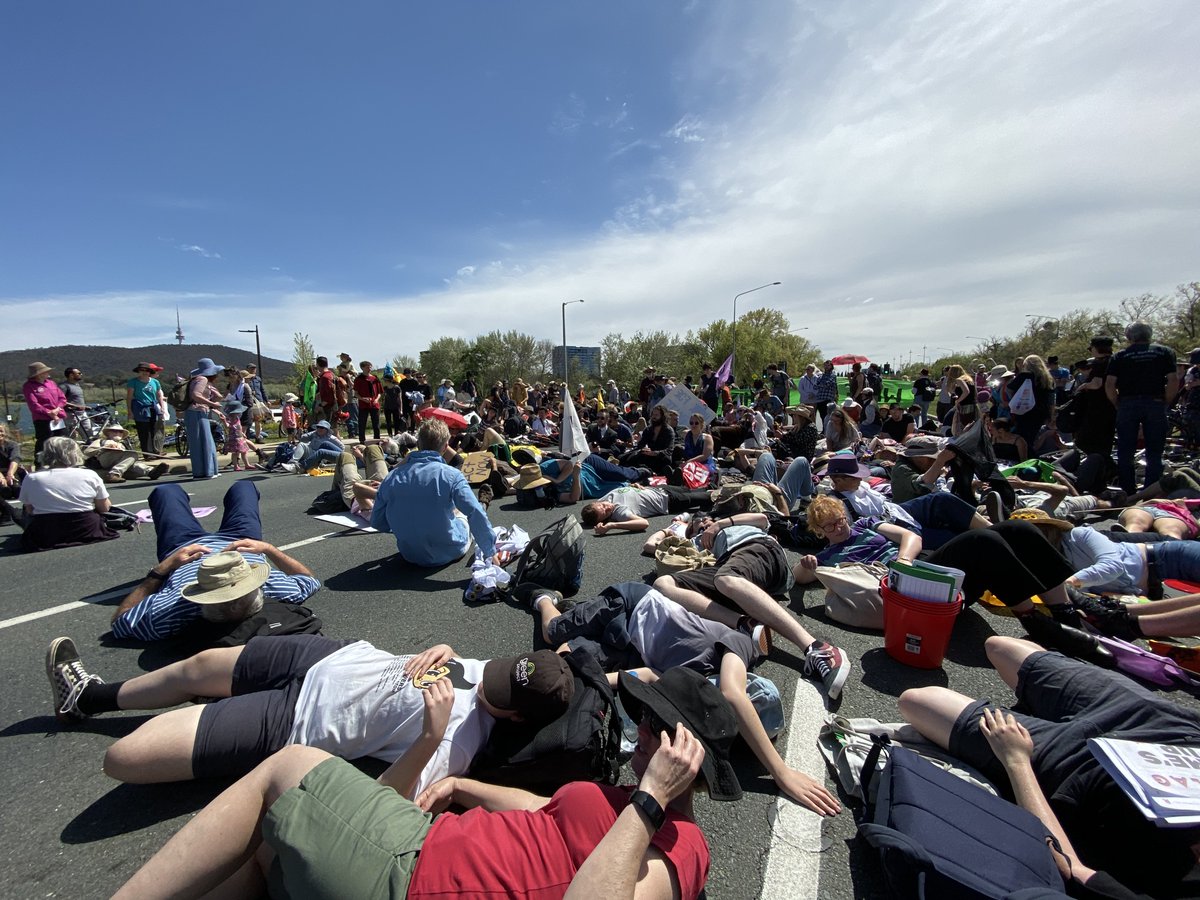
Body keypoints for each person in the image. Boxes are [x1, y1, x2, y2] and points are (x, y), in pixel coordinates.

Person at [111, 666, 734, 900]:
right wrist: (466, 791)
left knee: (288, 769)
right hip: (430, 849)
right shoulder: (623, 803)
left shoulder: (680, 844)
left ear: (684, 754)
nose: (638, 730)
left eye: (652, 725)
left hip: (427, 877)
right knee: (273, 848)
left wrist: (652, 799)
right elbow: (549, 810)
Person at [48, 630, 573, 790]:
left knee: (124, 758)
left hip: (297, 721)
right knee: (200, 663)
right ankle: (90, 696)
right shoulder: (492, 673)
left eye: (501, 695)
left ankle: (208, 712)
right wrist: (452, 651)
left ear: (517, 718)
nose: (489, 686)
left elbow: (388, 798)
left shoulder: (459, 745)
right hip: (332, 656)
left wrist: (429, 737)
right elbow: (476, 670)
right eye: (501, 672)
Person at [899, 636, 1200, 897]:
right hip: (1164, 725)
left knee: (918, 700)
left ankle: (1035, 713)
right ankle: (1038, 702)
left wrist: (1016, 760)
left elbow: (1069, 868)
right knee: (1001, 647)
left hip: (1076, 765)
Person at [524, 581, 841, 817]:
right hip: (630, 604)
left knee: (568, 665)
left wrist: (587, 682)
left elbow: (647, 677)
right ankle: (543, 597)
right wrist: (781, 773)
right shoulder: (741, 646)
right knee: (554, 632)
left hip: (632, 646)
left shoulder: (690, 693)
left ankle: (575, 620)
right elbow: (733, 693)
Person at [651, 512, 853, 699]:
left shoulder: (734, 524)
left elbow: (762, 518)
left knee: (726, 579)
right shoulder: (695, 543)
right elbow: (651, 547)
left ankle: (818, 648)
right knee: (662, 585)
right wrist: (667, 531)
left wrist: (720, 524)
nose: (704, 523)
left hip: (759, 549)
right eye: (698, 524)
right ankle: (745, 623)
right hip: (729, 567)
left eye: (706, 519)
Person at [107, 480, 320, 641]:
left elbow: (121, 620)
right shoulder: (273, 588)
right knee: (244, 486)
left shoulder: (171, 610)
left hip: (182, 548)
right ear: (256, 589)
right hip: (240, 540)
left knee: (166, 492)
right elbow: (309, 580)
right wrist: (268, 549)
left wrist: (163, 568)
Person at [372, 418, 499, 567]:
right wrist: (490, 551)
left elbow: (378, 522)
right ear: (446, 447)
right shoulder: (452, 475)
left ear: (418, 444)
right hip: (451, 549)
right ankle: (484, 503)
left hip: (410, 554)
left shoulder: (392, 477)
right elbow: (474, 512)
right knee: (464, 512)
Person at [1106, 322, 1179, 493]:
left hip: (1127, 403)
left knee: (1125, 450)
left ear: (1129, 336)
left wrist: (1117, 403)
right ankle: (1151, 489)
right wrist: (1167, 401)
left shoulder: (1120, 356)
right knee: (1155, 450)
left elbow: (1110, 384)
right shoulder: (1164, 352)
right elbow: (1173, 379)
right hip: (1154, 402)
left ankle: (1127, 490)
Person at [18, 436, 117, 551]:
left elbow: (30, 510)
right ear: (75, 454)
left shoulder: (32, 478)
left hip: (48, 532)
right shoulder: (89, 474)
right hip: (86, 528)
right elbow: (105, 507)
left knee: (25, 513)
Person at [581, 483, 713, 533]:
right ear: (603, 519)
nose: (607, 507)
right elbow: (644, 523)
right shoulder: (619, 512)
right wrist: (610, 526)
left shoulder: (603, 500)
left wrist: (632, 486)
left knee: (691, 489)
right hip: (668, 501)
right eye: (605, 513)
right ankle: (721, 496)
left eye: (602, 506)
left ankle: (710, 485)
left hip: (660, 489)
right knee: (707, 497)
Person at [83, 422, 170, 482]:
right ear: (108, 433)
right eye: (114, 431)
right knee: (132, 455)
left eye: (120, 432)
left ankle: (151, 472)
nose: (117, 433)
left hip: (121, 461)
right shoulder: (101, 441)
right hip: (104, 459)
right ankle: (114, 474)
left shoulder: (123, 444)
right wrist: (104, 447)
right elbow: (87, 452)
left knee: (133, 461)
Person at [184, 357, 225, 480]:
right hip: (197, 413)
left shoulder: (197, 379)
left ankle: (205, 471)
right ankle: (206, 471)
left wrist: (212, 399)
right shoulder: (202, 379)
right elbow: (196, 395)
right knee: (203, 442)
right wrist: (211, 404)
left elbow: (217, 397)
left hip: (196, 413)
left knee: (201, 442)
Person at [22, 361, 67, 464]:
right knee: (44, 442)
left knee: (62, 440)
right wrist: (48, 412)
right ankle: (40, 464)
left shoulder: (51, 383)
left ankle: (62, 462)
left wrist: (57, 409)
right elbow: (33, 404)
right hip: (42, 420)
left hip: (58, 417)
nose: (48, 372)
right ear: (38, 374)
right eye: (45, 371)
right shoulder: (29, 386)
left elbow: (62, 398)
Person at [1007, 354, 1056, 450]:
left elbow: (1009, 388)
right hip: (1042, 411)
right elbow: (1051, 399)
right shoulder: (1047, 378)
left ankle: (1026, 456)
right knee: (1037, 436)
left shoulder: (1024, 376)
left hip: (1025, 410)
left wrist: (1015, 399)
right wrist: (1051, 414)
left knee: (1024, 437)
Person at [125, 362, 168, 455]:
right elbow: (129, 397)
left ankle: (156, 450)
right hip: (140, 407)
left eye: (147, 370)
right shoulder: (133, 382)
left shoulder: (155, 382)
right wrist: (130, 411)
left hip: (153, 407)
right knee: (143, 431)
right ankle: (147, 453)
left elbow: (159, 395)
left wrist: (162, 407)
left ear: (150, 372)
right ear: (138, 371)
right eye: (142, 370)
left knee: (155, 429)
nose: (144, 372)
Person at [354, 360, 383, 441]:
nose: (369, 369)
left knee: (376, 424)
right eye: (367, 367)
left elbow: (380, 392)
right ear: (362, 368)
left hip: (374, 404)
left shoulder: (375, 378)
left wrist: (376, 400)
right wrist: (363, 399)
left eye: (370, 367)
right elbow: (356, 394)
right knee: (362, 423)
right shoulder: (358, 379)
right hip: (363, 405)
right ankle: (362, 440)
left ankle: (377, 440)